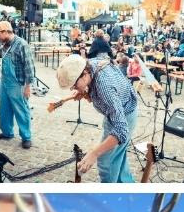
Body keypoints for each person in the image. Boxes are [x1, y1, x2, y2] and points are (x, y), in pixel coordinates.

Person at [56, 53, 138, 182]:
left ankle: (110, 198)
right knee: (117, 158)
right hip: (116, 112)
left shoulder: (105, 88)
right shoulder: (91, 64)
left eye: (74, 84)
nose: (73, 88)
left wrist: (94, 153)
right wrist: (85, 92)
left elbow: (121, 130)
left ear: (84, 74)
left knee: (106, 162)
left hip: (124, 116)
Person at [0, 21, 34, 149]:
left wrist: (28, 86)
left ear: (5, 32)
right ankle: (7, 132)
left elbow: (29, 67)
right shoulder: (3, 44)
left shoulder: (21, 44)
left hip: (17, 83)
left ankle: (26, 137)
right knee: (4, 109)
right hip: (4, 81)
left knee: (21, 110)